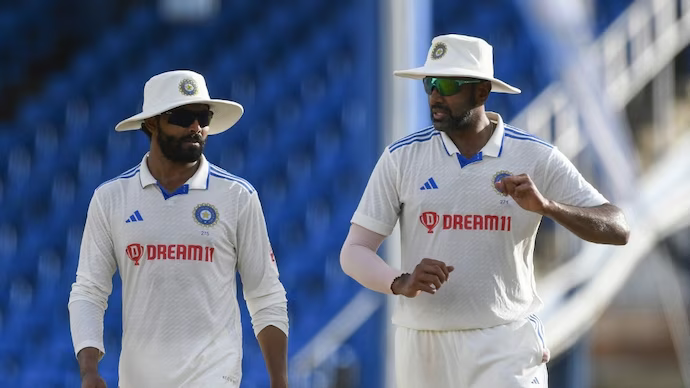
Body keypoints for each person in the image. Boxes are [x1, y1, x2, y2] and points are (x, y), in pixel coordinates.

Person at [340, 35, 630, 388]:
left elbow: (618, 228)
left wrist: (548, 207)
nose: (435, 96)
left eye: (447, 84)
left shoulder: (536, 156)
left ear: (481, 92)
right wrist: (400, 282)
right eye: (430, 84)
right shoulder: (401, 158)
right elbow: (354, 252)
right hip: (423, 343)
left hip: (505, 340)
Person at [68, 70, 289, 388]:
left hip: (216, 377)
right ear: (152, 123)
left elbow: (266, 295)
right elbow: (88, 291)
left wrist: (280, 382)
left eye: (203, 116)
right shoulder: (111, 198)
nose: (196, 127)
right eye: (184, 116)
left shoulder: (238, 196)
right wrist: (89, 371)